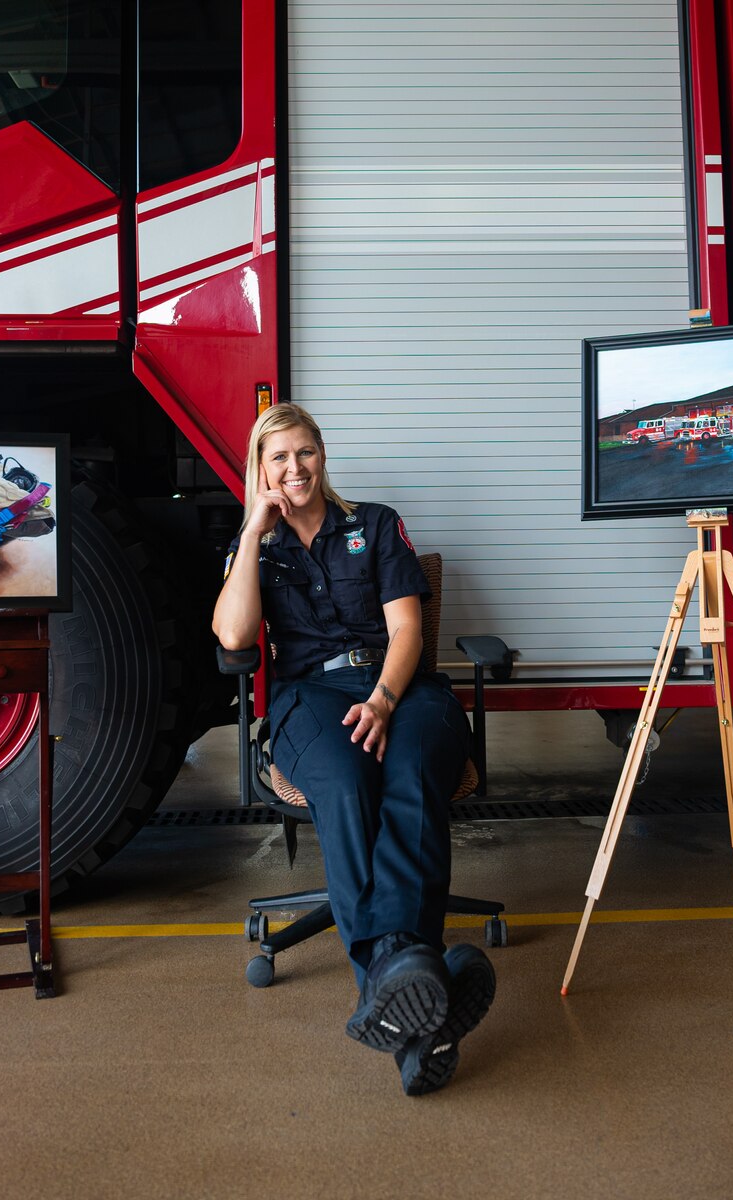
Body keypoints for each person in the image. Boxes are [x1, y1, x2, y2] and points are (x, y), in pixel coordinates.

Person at [213, 402, 496, 1096]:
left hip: (404, 690)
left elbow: (407, 631)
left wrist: (385, 700)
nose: (294, 467)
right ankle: (414, 1000)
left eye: (304, 452)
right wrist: (254, 531)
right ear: (261, 469)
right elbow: (232, 638)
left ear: (323, 455)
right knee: (345, 784)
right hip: (309, 699)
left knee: (409, 774)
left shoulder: (374, 523)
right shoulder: (256, 545)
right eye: (277, 457)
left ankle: (389, 990)